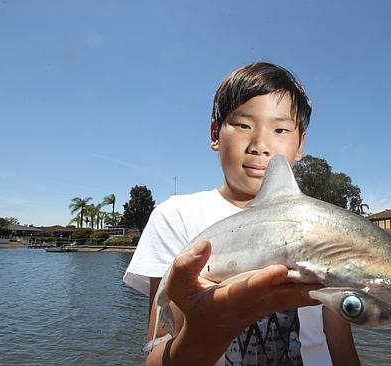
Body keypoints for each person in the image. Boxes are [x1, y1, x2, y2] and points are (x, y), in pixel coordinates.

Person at [123, 62, 360, 366]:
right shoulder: (177, 216)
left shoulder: (324, 227)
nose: (260, 145)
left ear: (300, 143)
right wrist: (206, 333)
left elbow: (339, 343)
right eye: (244, 125)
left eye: (281, 129)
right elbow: (156, 354)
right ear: (214, 133)